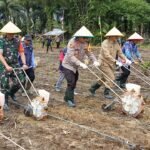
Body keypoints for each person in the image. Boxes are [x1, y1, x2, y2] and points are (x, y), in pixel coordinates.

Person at [62, 26, 100, 107]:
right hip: (67, 65)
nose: (86, 39)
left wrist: (95, 60)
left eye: (87, 38)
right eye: (84, 37)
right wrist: (80, 63)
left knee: (74, 82)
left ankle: (66, 97)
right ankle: (70, 100)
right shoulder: (72, 42)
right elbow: (70, 56)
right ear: (79, 37)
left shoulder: (86, 43)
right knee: (71, 82)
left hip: (75, 67)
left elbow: (89, 53)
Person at [89, 27, 126, 99]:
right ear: (111, 36)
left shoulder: (116, 43)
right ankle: (106, 93)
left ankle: (93, 88)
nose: (117, 37)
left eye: (118, 36)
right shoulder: (104, 43)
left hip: (111, 64)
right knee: (111, 78)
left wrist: (125, 59)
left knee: (104, 78)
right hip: (103, 63)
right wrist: (116, 61)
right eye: (115, 36)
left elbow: (120, 52)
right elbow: (106, 55)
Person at [0, 21, 28, 110]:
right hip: (4, 65)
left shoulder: (17, 41)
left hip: (15, 64)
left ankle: (11, 93)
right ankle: (5, 102)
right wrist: (6, 66)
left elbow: (22, 53)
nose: (11, 34)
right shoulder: (1, 41)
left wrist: (24, 64)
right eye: (9, 33)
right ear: (6, 33)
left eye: (12, 33)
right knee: (4, 85)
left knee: (21, 81)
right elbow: (0, 54)